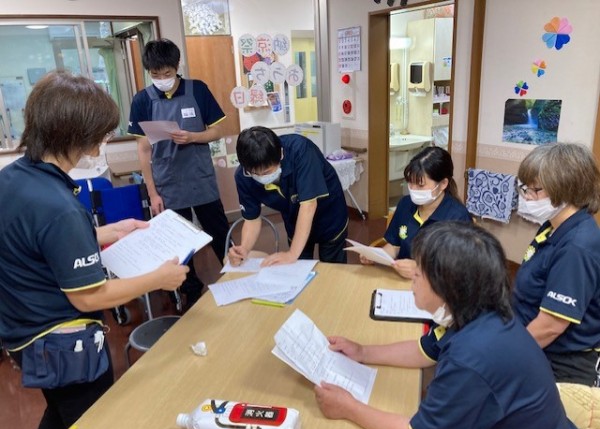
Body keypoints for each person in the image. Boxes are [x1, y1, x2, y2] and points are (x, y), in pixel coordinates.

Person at [0, 71, 188, 429]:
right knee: (92, 425)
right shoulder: (58, 207)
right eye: (102, 133)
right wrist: (159, 278)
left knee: (61, 416)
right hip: (62, 343)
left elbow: (37, 242)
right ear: (76, 133)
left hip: (22, 328)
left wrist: (109, 231)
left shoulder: (15, 178)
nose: (104, 140)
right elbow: (89, 296)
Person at [314, 221, 583, 429]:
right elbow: (423, 351)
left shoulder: (472, 356)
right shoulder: (478, 312)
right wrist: (363, 352)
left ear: (447, 287)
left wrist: (349, 408)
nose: (413, 278)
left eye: (419, 273)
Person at [128, 38, 229, 306]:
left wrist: (194, 137)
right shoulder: (142, 100)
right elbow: (143, 150)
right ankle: (190, 290)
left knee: (219, 232)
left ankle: (235, 275)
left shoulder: (198, 90)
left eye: (167, 73)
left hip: (200, 177)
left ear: (177, 66)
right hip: (168, 182)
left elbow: (218, 130)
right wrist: (152, 193)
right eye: (156, 74)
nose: (162, 79)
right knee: (179, 243)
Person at [513, 143, 600, 429]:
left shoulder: (577, 246)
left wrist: (506, 353)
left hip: (562, 364)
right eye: (525, 188)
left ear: (566, 190)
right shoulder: (552, 228)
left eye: (535, 190)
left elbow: (551, 325)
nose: (527, 197)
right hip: (537, 349)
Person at [228, 126, 349, 266]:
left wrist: (292, 254)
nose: (261, 177)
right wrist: (244, 248)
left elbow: (308, 205)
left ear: (280, 154)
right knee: (299, 268)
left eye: (267, 172)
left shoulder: (301, 150)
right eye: (255, 173)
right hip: (295, 221)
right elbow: (252, 219)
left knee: (332, 268)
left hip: (328, 216)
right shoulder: (243, 176)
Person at [361, 146, 471, 278]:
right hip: (399, 279)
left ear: (443, 184)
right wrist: (377, 256)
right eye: (410, 182)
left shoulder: (458, 217)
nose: (413, 189)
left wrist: (420, 268)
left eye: (420, 185)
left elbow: (460, 267)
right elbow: (395, 246)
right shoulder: (405, 204)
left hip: (436, 285)